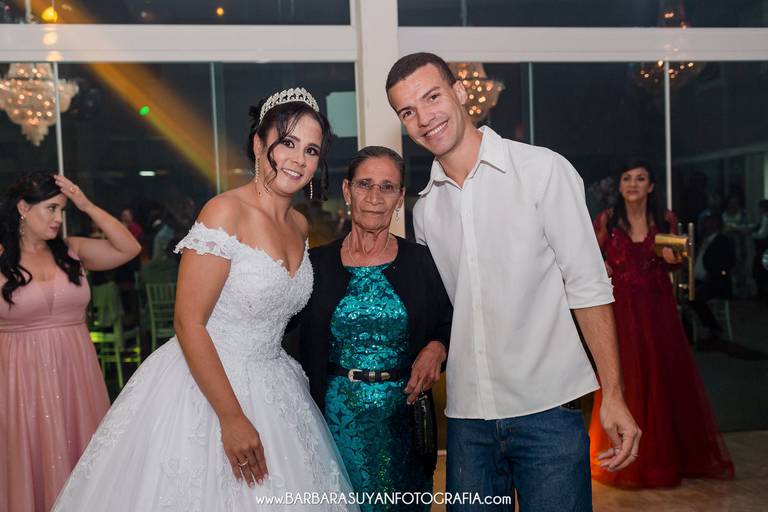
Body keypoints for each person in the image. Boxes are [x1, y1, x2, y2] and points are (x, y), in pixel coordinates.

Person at [52, 88, 358, 511]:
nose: (299, 159)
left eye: (311, 150)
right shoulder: (223, 212)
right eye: (287, 142)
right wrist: (231, 417)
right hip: (206, 386)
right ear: (258, 143)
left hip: (276, 386)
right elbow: (188, 322)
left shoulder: (299, 225)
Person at [386, 52, 639, 511]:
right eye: (407, 111)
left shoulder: (542, 171)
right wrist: (435, 345)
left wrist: (614, 395)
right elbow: (449, 308)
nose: (423, 118)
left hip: (548, 410)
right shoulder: (425, 210)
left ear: (461, 92)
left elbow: (588, 287)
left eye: (432, 97)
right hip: (468, 420)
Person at [299, 146, 452, 510]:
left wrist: (437, 348)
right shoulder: (315, 265)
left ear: (400, 197)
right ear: (347, 190)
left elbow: (449, 321)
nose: (374, 197)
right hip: (333, 422)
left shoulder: (422, 262)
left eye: (387, 187)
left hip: (404, 421)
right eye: (365, 184)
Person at [0, 172, 141, 512]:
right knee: (27, 456)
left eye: (62, 210)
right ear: (23, 208)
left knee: (80, 453)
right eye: (51, 209)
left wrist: (86, 204)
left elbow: (130, 248)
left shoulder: (71, 251)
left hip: (76, 374)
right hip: (18, 378)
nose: (58, 219)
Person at [589, 162, 734, 488]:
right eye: (627, 178)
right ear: (619, 185)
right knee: (625, 377)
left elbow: (674, 263)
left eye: (640, 179)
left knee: (663, 378)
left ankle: (663, 458)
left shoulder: (665, 219)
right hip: (621, 312)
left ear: (651, 186)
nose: (633, 184)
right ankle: (622, 456)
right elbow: (589, 258)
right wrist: (602, 268)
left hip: (658, 311)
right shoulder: (607, 220)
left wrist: (674, 260)